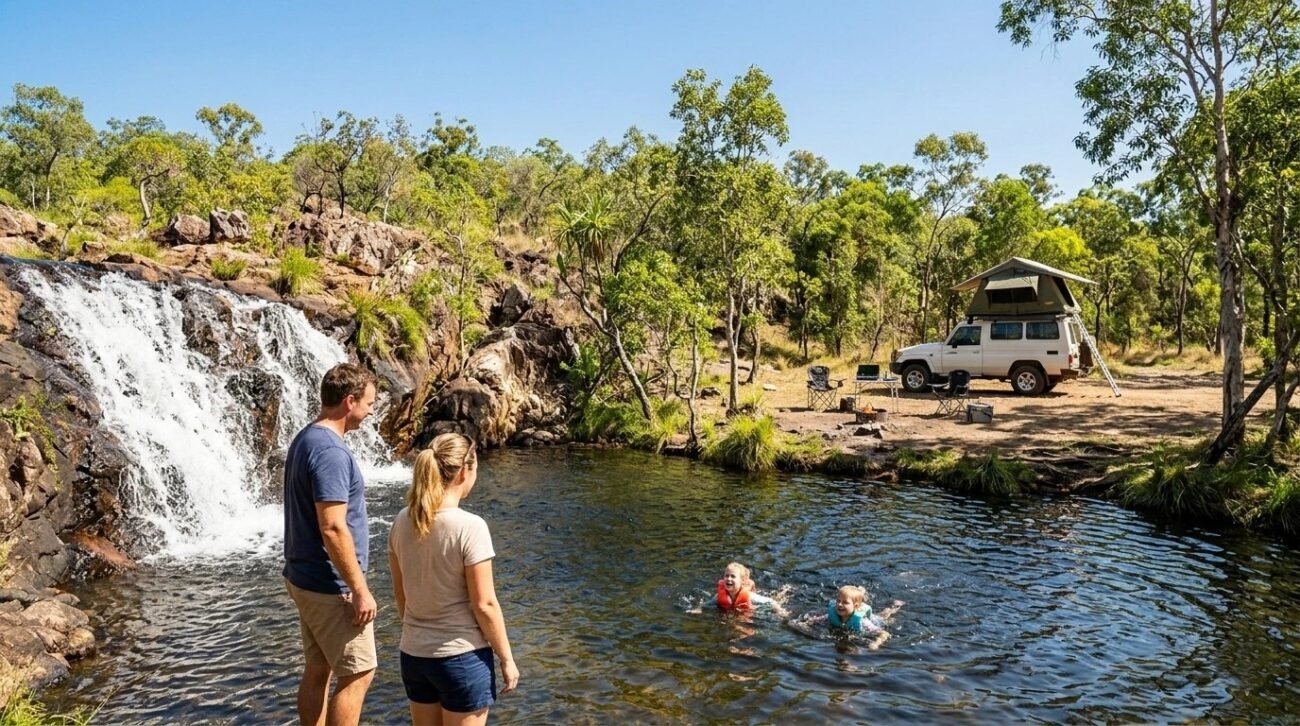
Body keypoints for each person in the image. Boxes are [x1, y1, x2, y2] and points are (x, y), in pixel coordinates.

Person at [389, 433, 519, 726]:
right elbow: (484, 604)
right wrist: (506, 658)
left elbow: (402, 596)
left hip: (413, 656)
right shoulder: (470, 527)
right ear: (464, 471)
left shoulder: (401, 521)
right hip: (461, 657)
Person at [283, 363, 379, 726]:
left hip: (303, 577)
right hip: (330, 585)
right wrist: (359, 589)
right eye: (368, 403)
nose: (371, 411)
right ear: (349, 401)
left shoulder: (307, 436)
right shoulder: (331, 453)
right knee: (357, 673)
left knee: (319, 666)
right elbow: (333, 527)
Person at [817, 585, 904, 650]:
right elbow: (813, 621)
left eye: (845, 602)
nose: (840, 604)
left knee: (884, 616)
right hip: (856, 607)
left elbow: (884, 633)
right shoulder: (832, 615)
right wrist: (805, 625)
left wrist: (876, 643)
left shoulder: (863, 622)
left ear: (855, 606)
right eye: (838, 601)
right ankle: (860, 592)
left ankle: (895, 606)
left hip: (874, 620)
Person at [714, 562, 788, 616]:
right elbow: (707, 605)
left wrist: (780, 611)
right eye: (726, 576)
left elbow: (771, 602)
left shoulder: (750, 596)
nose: (728, 579)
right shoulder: (718, 596)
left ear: (742, 580)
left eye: (733, 576)